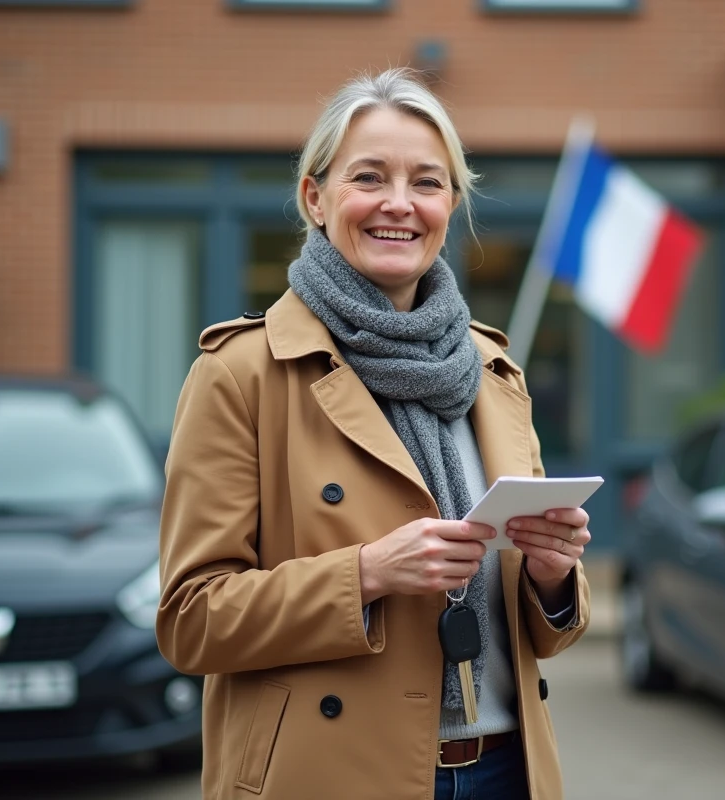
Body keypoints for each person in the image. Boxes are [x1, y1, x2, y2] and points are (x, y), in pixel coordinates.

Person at [156, 67, 592, 800]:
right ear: (316, 197)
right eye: (369, 177)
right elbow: (191, 620)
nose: (399, 204)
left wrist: (551, 577)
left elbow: (542, 635)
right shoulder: (242, 374)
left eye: (427, 182)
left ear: (451, 204)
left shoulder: (493, 371)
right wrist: (364, 575)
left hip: (507, 771)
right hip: (332, 776)